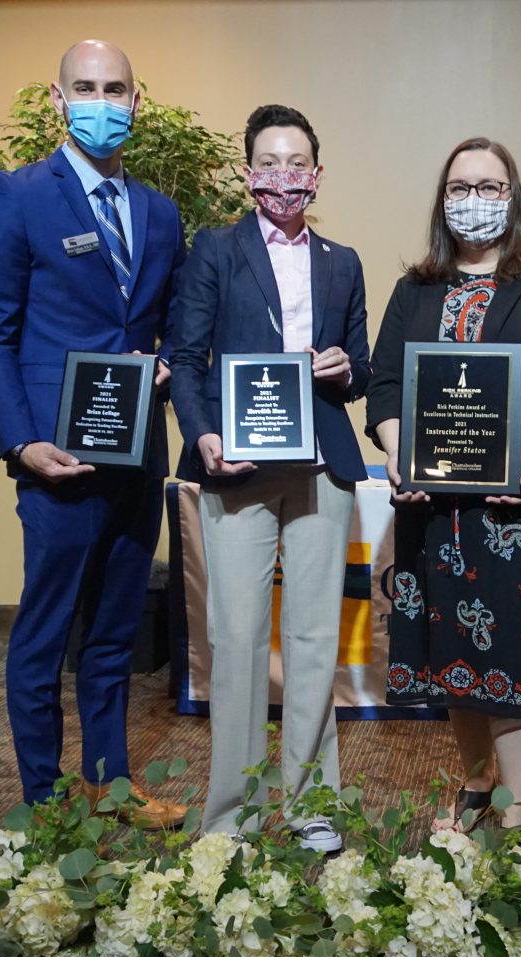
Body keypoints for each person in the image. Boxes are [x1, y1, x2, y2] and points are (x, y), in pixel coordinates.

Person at [0, 40, 188, 828]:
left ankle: (111, 786)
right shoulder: (18, 196)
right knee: (44, 635)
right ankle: (43, 801)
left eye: (116, 88)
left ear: (137, 100)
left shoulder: (160, 213)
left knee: (115, 634)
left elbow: (167, 328)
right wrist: (22, 442)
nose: (103, 100)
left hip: (136, 456)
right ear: (58, 101)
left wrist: (167, 366)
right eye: (86, 88)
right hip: (53, 460)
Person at [366, 138, 521, 832]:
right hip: (433, 508)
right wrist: (396, 451)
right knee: (456, 659)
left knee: (518, 658)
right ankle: (476, 787)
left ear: (514, 196)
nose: (475, 201)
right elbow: (384, 385)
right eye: (461, 187)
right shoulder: (414, 289)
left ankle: (518, 812)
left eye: (491, 186)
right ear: (442, 201)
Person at [170, 105, 369, 852]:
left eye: (297, 165)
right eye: (270, 163)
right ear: (249, 172)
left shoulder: (343, 260)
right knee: (238, 637)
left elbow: (362, 367)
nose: (284, 178)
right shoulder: (214, 251)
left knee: (316, 637)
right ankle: (234, 815)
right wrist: (205, 434)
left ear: (316, 175)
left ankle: (316, 806)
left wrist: (349, 368)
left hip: (321, 466)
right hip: (238, 468)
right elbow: (186, 359)